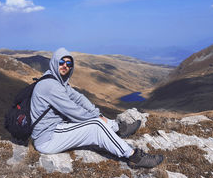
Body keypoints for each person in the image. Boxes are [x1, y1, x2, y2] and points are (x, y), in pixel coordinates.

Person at [30, 47, 164, 168]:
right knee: (96, 126)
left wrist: (96, 113)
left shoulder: (58, 81)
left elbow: (78, 98)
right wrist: (97, 118)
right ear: (54, 62)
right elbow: (73, 111)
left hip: (56, 128)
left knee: (97, 120)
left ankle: (118, 129)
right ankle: (133, 156)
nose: (65, 66)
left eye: (69, 64)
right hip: (47, 138)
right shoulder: (51, 86)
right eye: (61, 62)